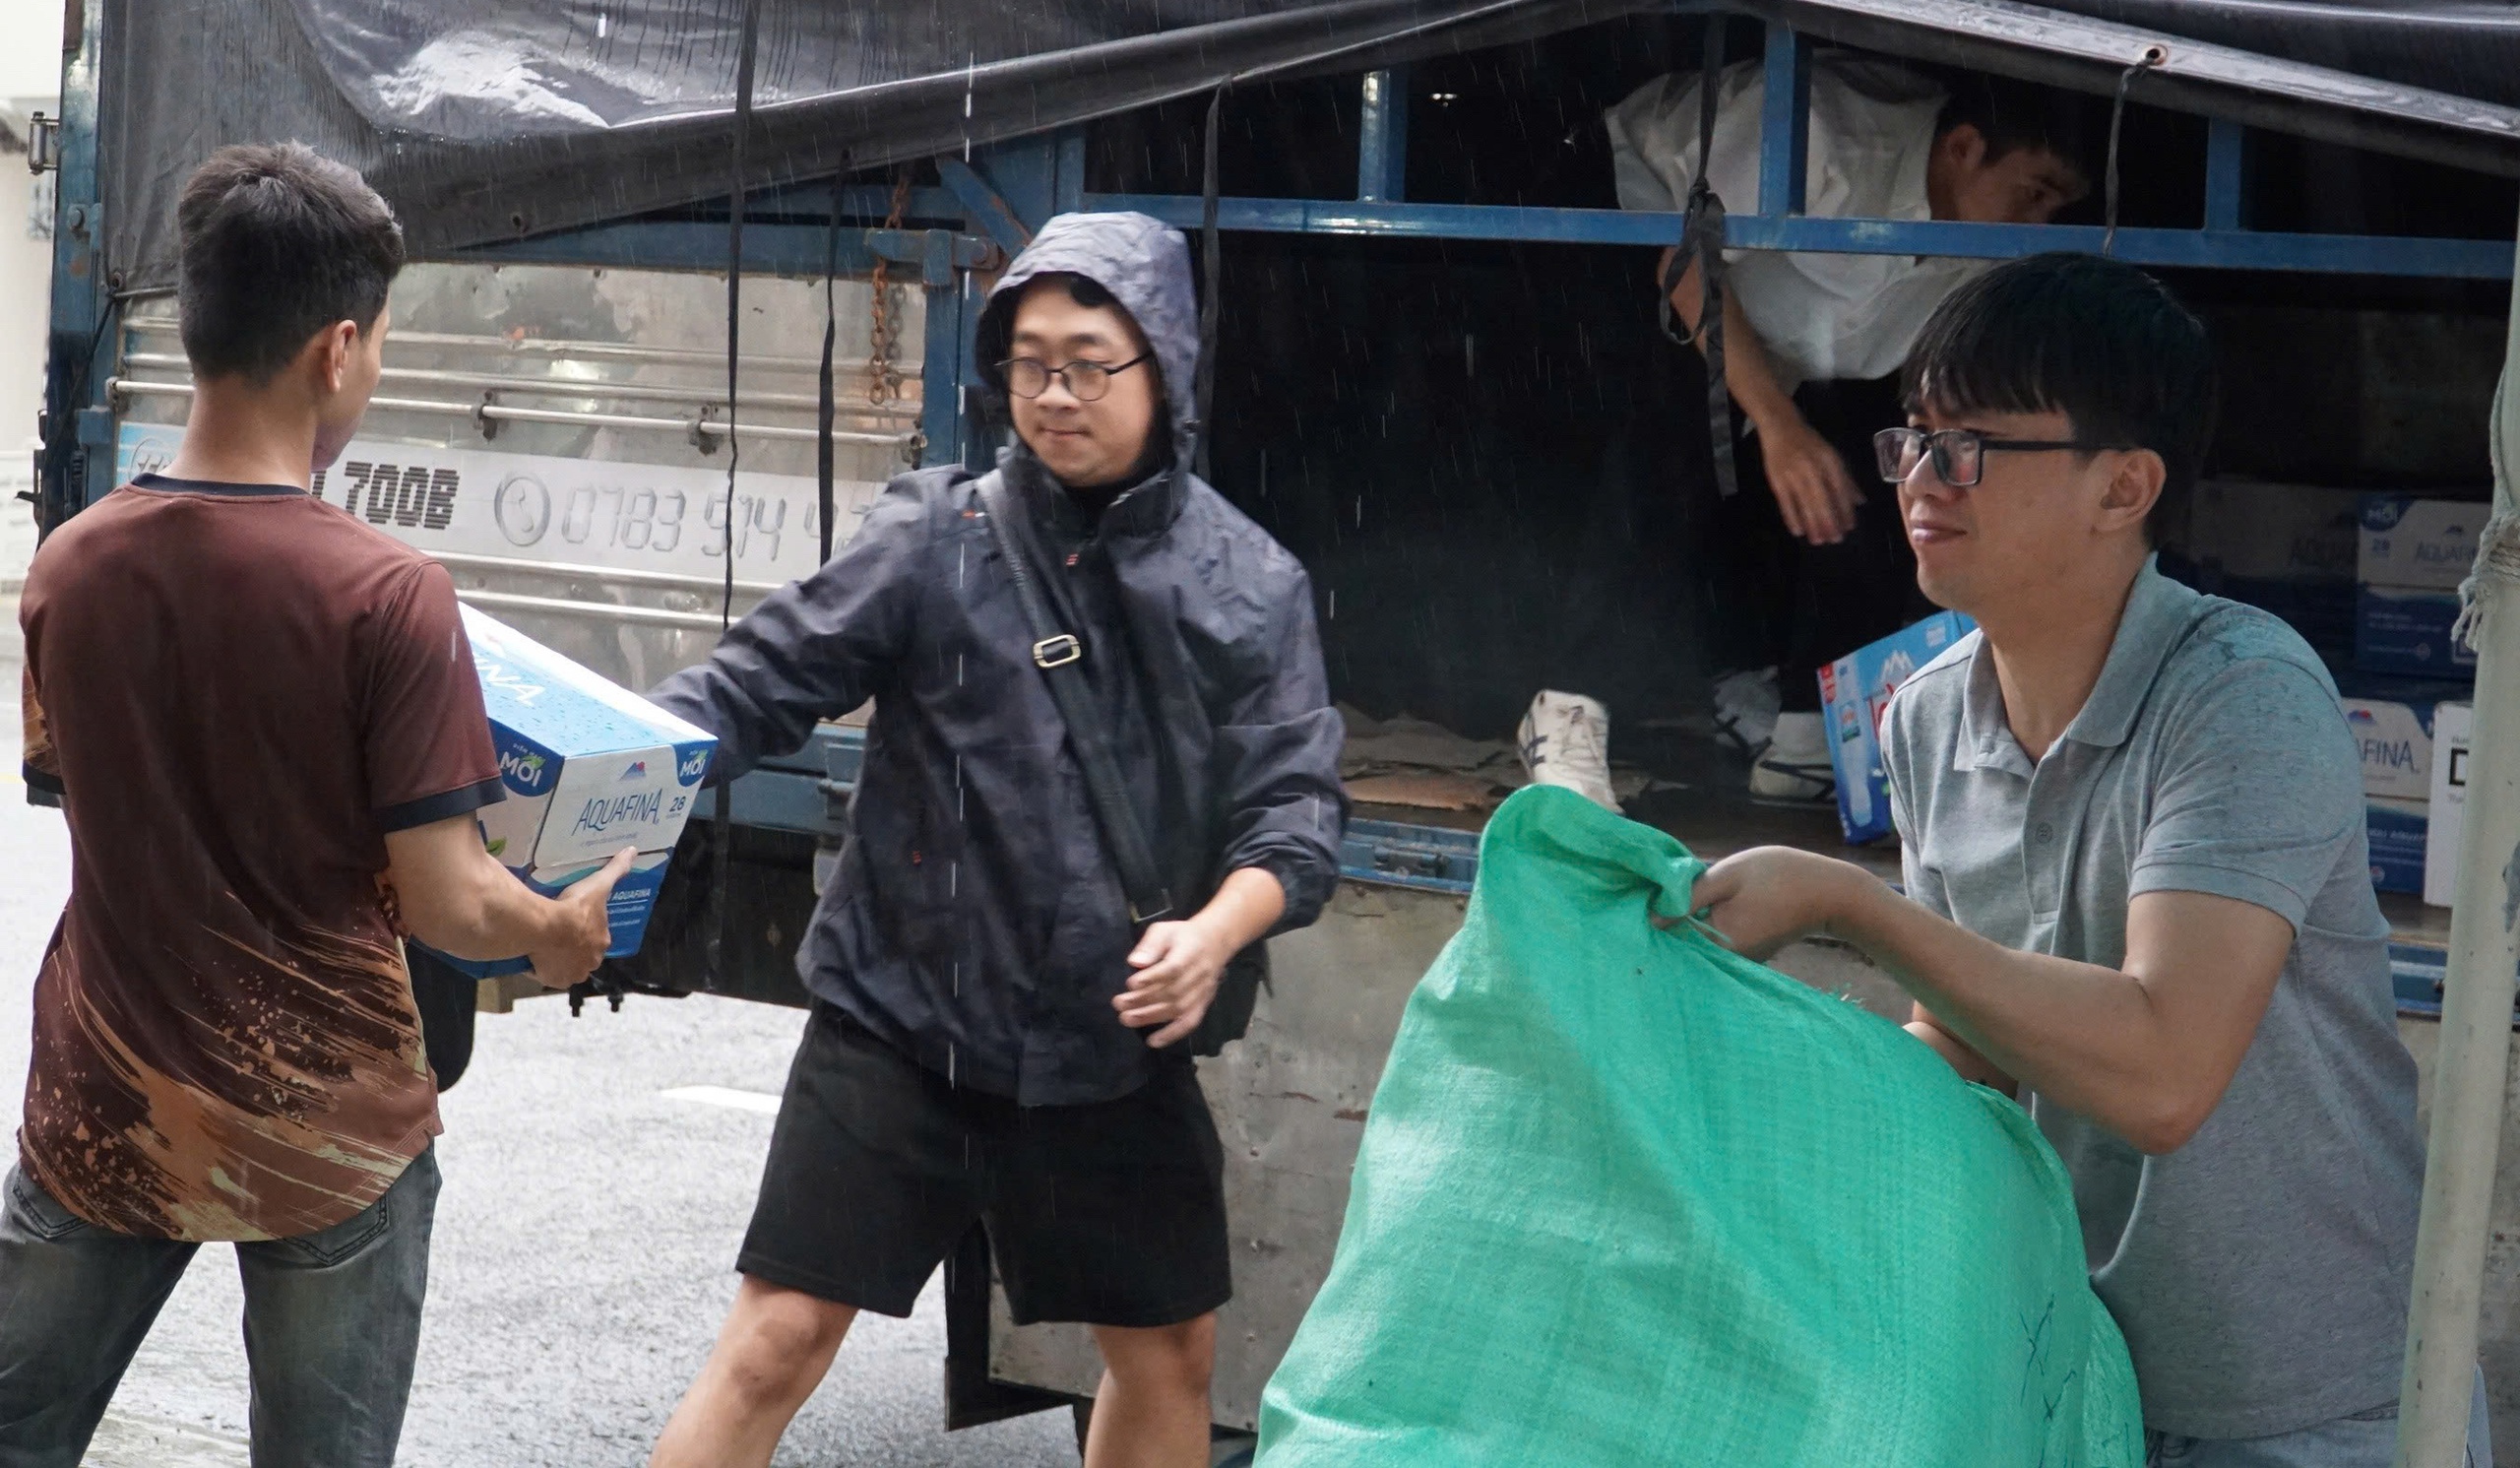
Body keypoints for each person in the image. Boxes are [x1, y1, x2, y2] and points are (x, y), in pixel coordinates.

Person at [1689, 252, 2490, 1465]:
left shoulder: (2239, 694)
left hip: (2315, 1409)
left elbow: (2163, 1068)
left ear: (2123, 487)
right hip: (2076, 1381)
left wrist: (1843, 903)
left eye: (1969, 448)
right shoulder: (1924, 714)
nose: (1920, 479)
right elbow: (1964, 1051)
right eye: (1911, 441)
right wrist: (1725, 1074)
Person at [644, 212, 1347, 1468]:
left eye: (1088, 361)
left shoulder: (1248, 584)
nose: (1055, 393)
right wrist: (596, 776)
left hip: (1108, 1046)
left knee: (1166, 1353)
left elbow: (1293, 815)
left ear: (1164, 366)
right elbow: (751, 687)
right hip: (899, 1019)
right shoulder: (934, 536)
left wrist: (1213, 931)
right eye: (1030, 362)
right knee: (776, 1336)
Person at [0, 144, 628, 1468]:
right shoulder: (390, 595)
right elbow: (454, 898)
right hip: (329, 1131)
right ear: (338, 347)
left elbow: (90, 796)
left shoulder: (69, 568)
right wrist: (561, 936)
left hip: (106, 1105)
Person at [1606, 56, 2091, 799]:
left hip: (1820, 335)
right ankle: (1612, 695)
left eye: (2054, 208)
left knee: (1885, 473)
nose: (2038, 223)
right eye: (2032, 193)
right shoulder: (1815, 138)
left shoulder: (1994, 240)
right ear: (1962, 149)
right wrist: (1777, 423)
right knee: (1663, 477)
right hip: (1661, 245)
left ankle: (1808, 723)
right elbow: (1687, 265)